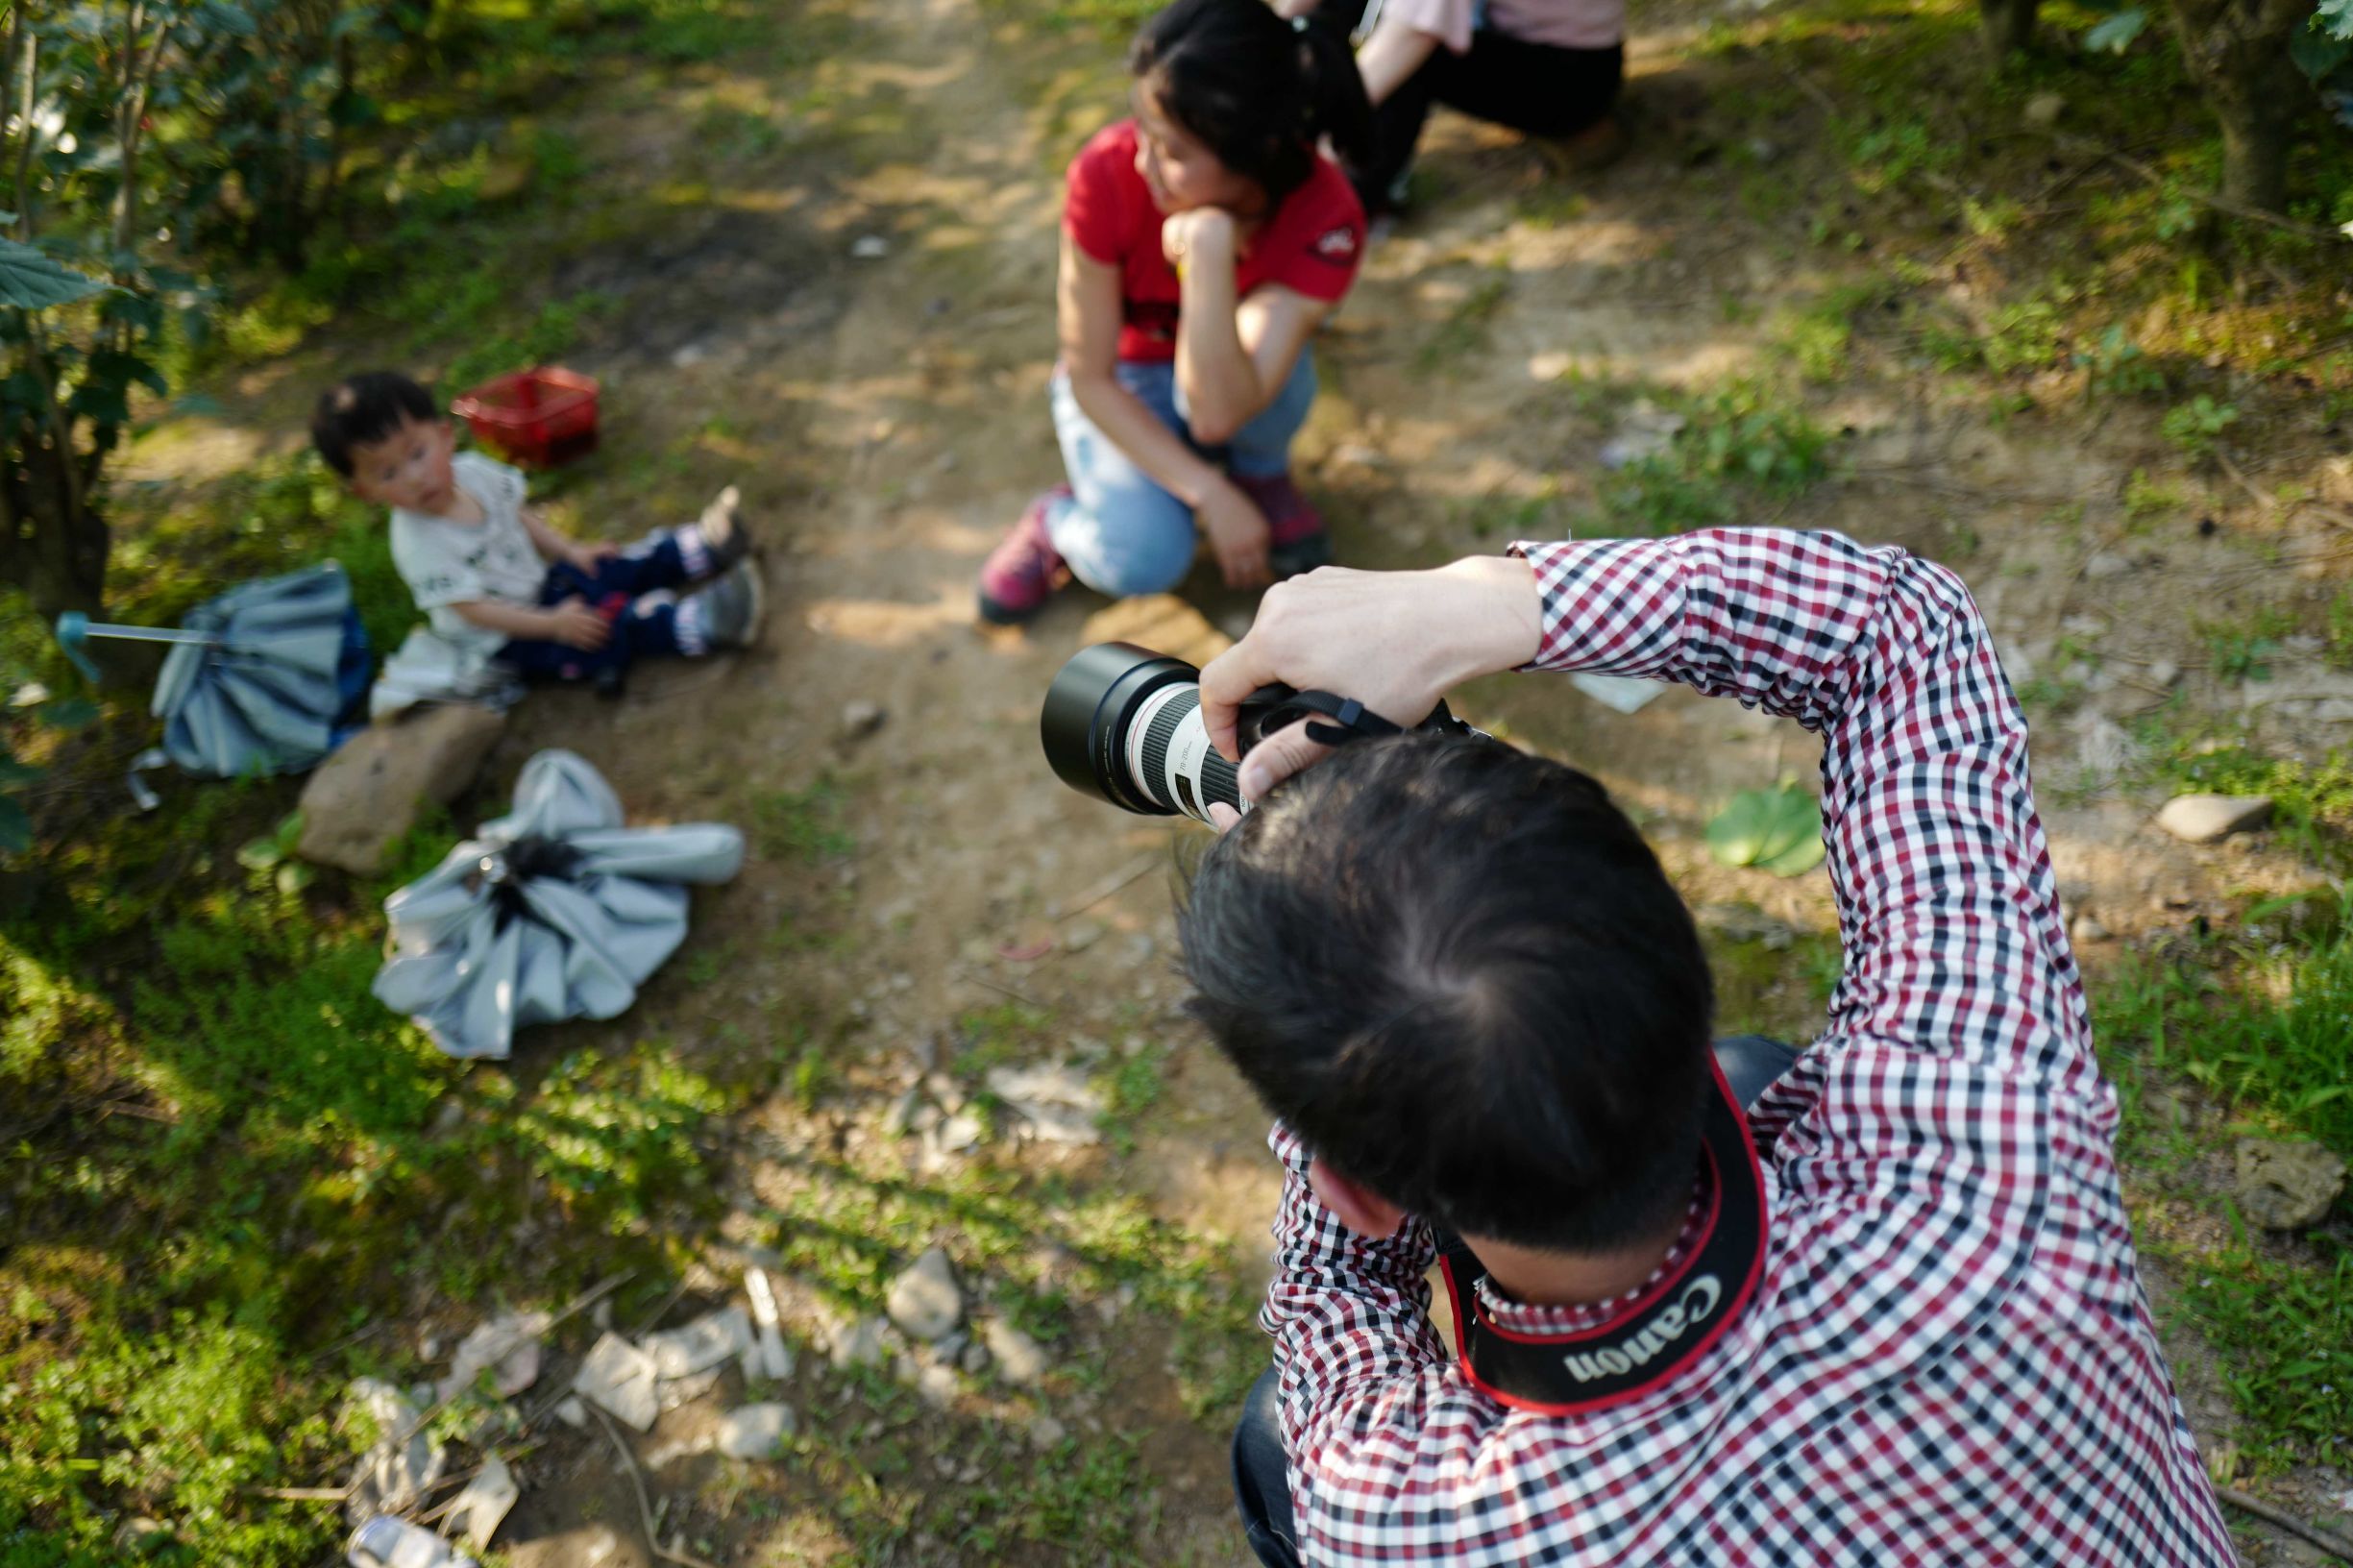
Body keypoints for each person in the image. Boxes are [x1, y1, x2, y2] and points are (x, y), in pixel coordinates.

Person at [1177, 530, 2237, 1565]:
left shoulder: (1401, 1518)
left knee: (1274, 1443)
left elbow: (1334, 1296)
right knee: (1756, 1083)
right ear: (1671, 956)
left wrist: (1321, 986)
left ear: (1356, 1191)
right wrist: (1485, 602)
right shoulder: (1990, 1162)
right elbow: (1898, 633)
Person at [975, 0, 1372, 626]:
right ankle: (1057, 521)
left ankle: (1258, 473)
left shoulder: (1324, 214)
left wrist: (1207, 251)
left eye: (1173, 152)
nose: (1144, 165)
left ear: (1258, 150)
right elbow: (1089, 377)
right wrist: (1205, 492)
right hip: (1123, 383)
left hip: (1227, 388)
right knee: (1142, 561)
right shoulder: (1105, 174)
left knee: (1279, 371)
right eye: (1144, 134)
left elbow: (1215, 412)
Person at [312, 372, 763, 693]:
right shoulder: (419, 542)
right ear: (365, 491)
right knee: (603, 627)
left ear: (445, 436)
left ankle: (699, 548)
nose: (414, 477)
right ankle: (701, 622)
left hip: (543, 585)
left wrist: (569, 550)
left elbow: (516, 515)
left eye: (417, 453)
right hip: (514, 638)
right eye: (387, 473)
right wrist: (553, 626)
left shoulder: (472, 472)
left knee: (605, 563)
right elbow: (475, 611)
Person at [1277, 0, 1625, 219]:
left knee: (1409, 62)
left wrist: (1320, 127)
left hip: (1572, 79)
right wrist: (1257, 31)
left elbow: (1413, 34)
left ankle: (1341, 205)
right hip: (1565, 47)